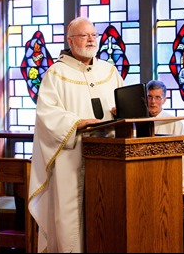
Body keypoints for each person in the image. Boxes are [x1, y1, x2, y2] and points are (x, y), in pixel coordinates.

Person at [28, 17, 124, 253]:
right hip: (71, 157)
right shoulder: (56, 73)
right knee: (71, 222)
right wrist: (76, 123)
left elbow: (124, 103)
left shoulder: (109, 71)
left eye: (93, 34)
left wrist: (121, 111)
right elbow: (46, 114)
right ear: (70, 41)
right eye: (84, 35)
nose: (91, 39)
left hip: (109, 158)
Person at [146, 80, 184, 198]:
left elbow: (183, 158)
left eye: (157, 97)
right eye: (150, 97)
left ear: (164, 100)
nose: (153, 102)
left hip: (169, 175)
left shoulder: (175, 123)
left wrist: (180, 183)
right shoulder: (137, 122)